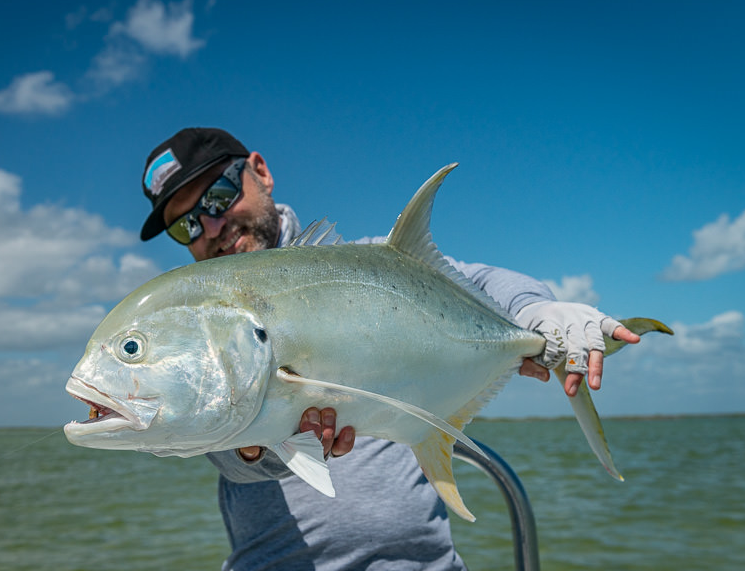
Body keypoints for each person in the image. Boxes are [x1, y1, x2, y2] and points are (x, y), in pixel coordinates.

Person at [139, 128, 640, 570]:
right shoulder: (200, 313)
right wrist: (252, 444)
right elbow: (221, 451)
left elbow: (482, 280)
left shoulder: (375, 266)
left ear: (260, 172)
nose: (210, 228)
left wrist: (534, 314)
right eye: (185, 225)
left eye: (219, 196)